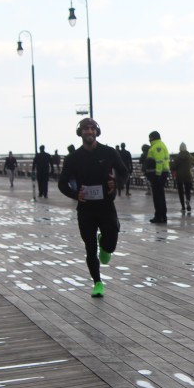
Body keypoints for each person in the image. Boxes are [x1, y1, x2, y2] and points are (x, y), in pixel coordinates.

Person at [58, 118, 128, 298]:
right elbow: (62, 183)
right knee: (90, 248)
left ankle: (105, 245)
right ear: (80, 133)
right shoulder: (73, 158)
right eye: (85, 129)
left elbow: (124, 172)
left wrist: (116, 184)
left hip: (106, 206)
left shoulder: (109, 152)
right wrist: (75, 195)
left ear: (97, 132)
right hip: (86, 209)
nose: (89, 132)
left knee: (110, 244)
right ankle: (97, 282)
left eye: (92, 129)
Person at [145, 131, 171, 224]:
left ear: (152, 138)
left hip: (158, 174)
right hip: (162, 173)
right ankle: (162, 216)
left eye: (150, 138)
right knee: (160, 196)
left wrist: (158, 174)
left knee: (158, 197)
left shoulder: (157, 147)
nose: (149, 140)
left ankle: (159, 216)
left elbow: (159, 161)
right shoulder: (161, 144)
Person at [172, 142, 194, 213]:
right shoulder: (189, 156)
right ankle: (188, 200)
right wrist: (190, 166)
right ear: (185, 148)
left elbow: (174, 166)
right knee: (188, 190)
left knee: (180, 192)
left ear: (179, 148)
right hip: (188, 175)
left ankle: (183, 207)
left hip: (179, 176)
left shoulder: (177, 157)